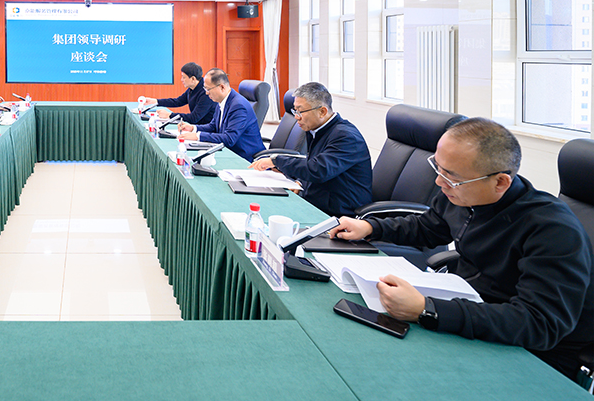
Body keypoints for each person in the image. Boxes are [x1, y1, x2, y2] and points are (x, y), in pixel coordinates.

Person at [329, 118, 594, 381]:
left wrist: (427, 309)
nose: (439, 182)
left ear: (500, 182)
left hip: (536, 351)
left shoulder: (553, 230)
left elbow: (539, 324)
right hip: (474, 309)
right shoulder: (462, 193)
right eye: (438, 168)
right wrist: (371, 227)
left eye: (451, 177)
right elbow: (428, 227)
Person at [250, 82, 372, 217]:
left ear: (322, 112)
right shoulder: (316, 130)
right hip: (318, 200)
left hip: (339, 214)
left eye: (300, 111)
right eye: (295, 111)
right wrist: (300, 181)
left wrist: (277, 161)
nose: (296, 117)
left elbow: (319, 169)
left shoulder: (346, 137)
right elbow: (315, 162)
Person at [177, 68, 262, 163]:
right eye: (205, 89)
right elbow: (213, 126)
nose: (206, 93)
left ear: (222, 87)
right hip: (228, 152)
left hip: (245, 158)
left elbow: (229, 139)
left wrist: (198, 136)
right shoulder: (222, 101)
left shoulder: (238, 106)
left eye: (208, 89)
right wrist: (193, 128)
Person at [140, 62, 217, 124]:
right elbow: (178, 101)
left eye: (184, 77)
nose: (181, 80)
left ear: (193, 79)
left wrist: (170, 115)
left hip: (205, 130)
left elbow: (194, 118)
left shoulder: (206, 93)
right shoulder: (192, 89)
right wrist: (155, 101)